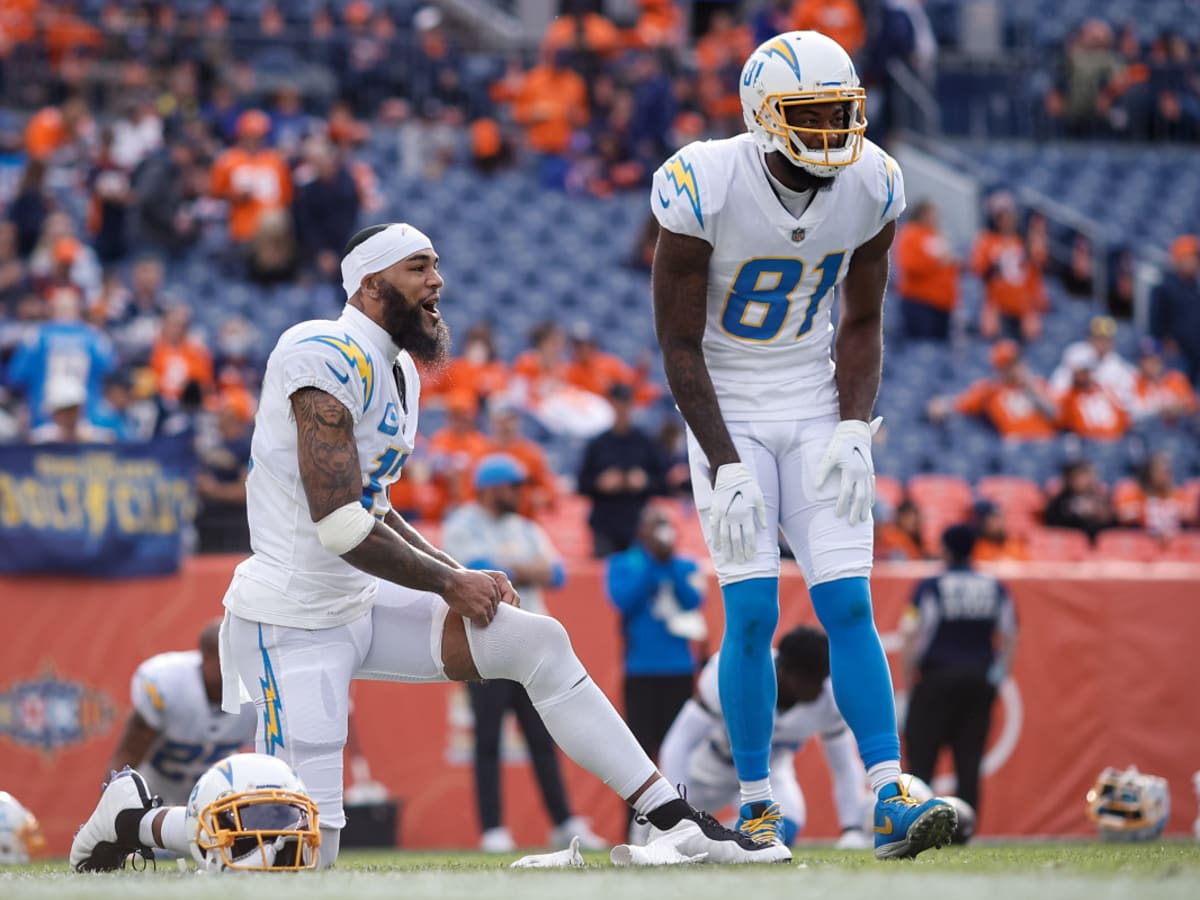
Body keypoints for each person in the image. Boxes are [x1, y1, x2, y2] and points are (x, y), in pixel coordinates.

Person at [70, 223, 788, 873]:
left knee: (535, 641)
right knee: (295, 857)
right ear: (370, 282)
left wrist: (454, 570)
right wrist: (448, 587)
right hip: (293, 619)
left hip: (359, 597)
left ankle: (673, 820)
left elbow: (375, 506)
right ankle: (137, 821)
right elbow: (340, 523)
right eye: (420, 268)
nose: (437, 282)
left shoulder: (401, 370)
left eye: (437, 266)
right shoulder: (317, 350)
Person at [649, 30, 955, 859]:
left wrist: (855, 425)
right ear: (760, 113)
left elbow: (862, 320)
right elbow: (679, 346)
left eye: (839, 112)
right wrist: (723, 459)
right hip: (727, 401)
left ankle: (889, 792)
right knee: (750, 611)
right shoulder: (703, 180)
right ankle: (755, 807)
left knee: (848, 603)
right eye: (808, 113)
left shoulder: (873, 183)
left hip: (814, 393)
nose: (830, 131)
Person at [441, 454, 605, 853]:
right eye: (511, 485)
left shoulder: (525, 526)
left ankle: (563, 821)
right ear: (489, 488)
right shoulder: (461, 525)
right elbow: (475, 571)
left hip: (530, 650)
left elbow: (558, 572)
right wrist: (522, 567)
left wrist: (508, 568)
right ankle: (492, 828)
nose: (517, 493)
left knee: (542, 737)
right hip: (486, 645)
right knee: (488, 737)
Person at [658, 626, 872, 849]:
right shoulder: (732, 671)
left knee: (782, 831)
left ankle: (724, 837)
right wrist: (677, 806)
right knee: (661, 837)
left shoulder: (829, 699)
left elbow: (844, 765)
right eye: (816, 680)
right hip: (707, 771)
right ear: (789, 673)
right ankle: (716, 834)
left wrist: (852, 829)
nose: (821, 689)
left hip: (769, 773)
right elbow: (678, 742)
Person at [901, 525, 1018, 831]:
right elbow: (1009, 633)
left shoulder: (931, 586)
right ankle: (965, 829)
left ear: (946, 549)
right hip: (979, 681)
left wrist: (910, 683)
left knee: (921, 758)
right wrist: (997, 675)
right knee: (969, 761)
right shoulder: (994, 585)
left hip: (936, 678)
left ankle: (918, 824)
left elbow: (912, 634)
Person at [605, 505, 706, 794]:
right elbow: (623, 601)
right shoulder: (624, 564)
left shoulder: (685, 565)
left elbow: (693, 601)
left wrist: (669, 562)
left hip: (679, 668)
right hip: (640, 668)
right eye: (655, 525)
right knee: (638, 751)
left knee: (677, 748)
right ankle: (635, 824)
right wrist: (651, 562)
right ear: (641, 531)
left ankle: (682, 813)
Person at [106, 620, 257, 806]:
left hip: (214, 794)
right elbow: (129, 752)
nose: (237, 667)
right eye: (229, 658)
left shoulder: (258, 691)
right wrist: (113, 805)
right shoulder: (167, 683)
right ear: (206, 656)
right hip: (154, 787)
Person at [577, 382, 669, 557]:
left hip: (639, 525)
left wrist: (645, 481)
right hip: (605, 524)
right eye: (618, 402)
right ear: (611, 404)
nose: (622, 408)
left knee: (640, 576)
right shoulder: (598, 444)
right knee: (604, 576)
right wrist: (600, 483)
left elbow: (663, 483)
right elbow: (581, 484)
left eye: (625, 403)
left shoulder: (645, 443)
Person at [927, 340, 1057, 441]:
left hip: (1046, 441)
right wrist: (942, 405)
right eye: (1006, 365)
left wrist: (1029, 385)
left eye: (1015, 363)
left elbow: (1055, 414)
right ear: (999, 369)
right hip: (1015, 445)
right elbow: (957, 404)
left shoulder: (1039, 383)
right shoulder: (991, 389)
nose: (1013, 369)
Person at [894, 199, 959, 342]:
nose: (936, 217)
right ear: (922, 214)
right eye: (932, 213)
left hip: (942, 304)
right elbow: (909, 264)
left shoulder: (937, 234)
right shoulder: (911, 234)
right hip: (920, 302)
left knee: (940, 350)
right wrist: (937, 263)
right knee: (923, 349)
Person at [1049, 315, 1136, 407]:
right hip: (1076, 408)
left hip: (1103, 414)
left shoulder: (1120, 367)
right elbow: (1058, 386)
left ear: (1112, 342)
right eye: (1098, 338)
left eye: (1106, 339)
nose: (1102, 343)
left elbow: (1126, 403)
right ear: (1090, 338)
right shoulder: (1076, 354)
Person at [1149, 234, 1200, 385]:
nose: (1195, 262)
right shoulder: (1165, 287)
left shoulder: (1195, 287)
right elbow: (1155, 323)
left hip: (1196, 352)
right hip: (1176, 356)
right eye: (1191, 257)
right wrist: (1166, 343)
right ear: (1179, 259)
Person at [1043, 460, 1115, 542]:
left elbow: (1114, 526)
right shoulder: (1059, 502)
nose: (1087, 480)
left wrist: (1103, 517)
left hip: (1097, 545)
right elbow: (1053, 525)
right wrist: (1080, 516)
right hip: (1068, 543)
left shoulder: (1101, 500)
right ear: (1070, 479)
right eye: (1081, 476)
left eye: (1089, 476)